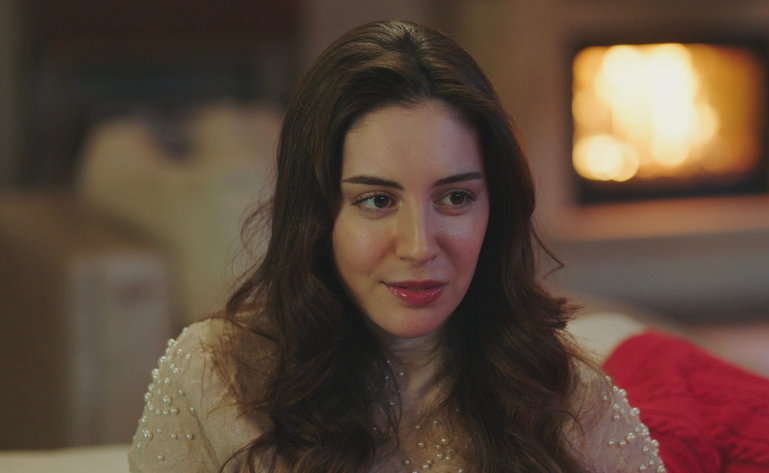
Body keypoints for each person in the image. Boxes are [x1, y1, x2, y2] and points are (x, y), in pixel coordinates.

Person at [127, 20, 666, 473]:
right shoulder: (210, 376)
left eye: (455, 198)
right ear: (316, 214)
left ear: (495, 207)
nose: (419, 246)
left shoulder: (565, 393)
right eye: (378, 201)